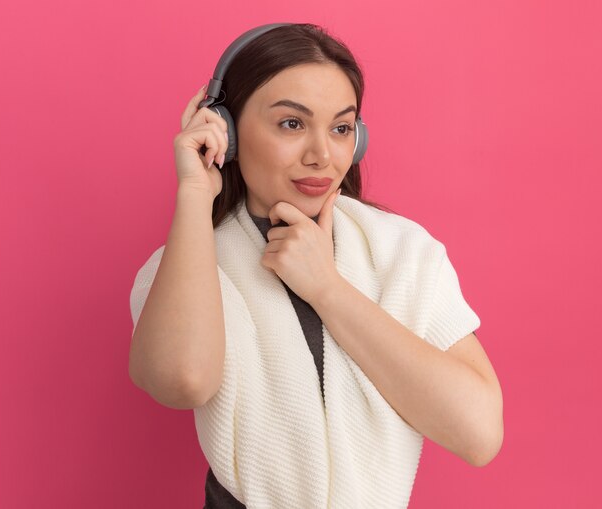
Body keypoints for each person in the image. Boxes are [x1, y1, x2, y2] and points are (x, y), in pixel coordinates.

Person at [129, 23, 503, 509]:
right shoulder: (186, 264)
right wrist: (195, 195)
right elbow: (182, 381)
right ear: (228, 130)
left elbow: (478, 434)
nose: (322, 155)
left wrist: (327, 288)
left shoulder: (402, 252)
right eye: (292, 123)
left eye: (342, 128)